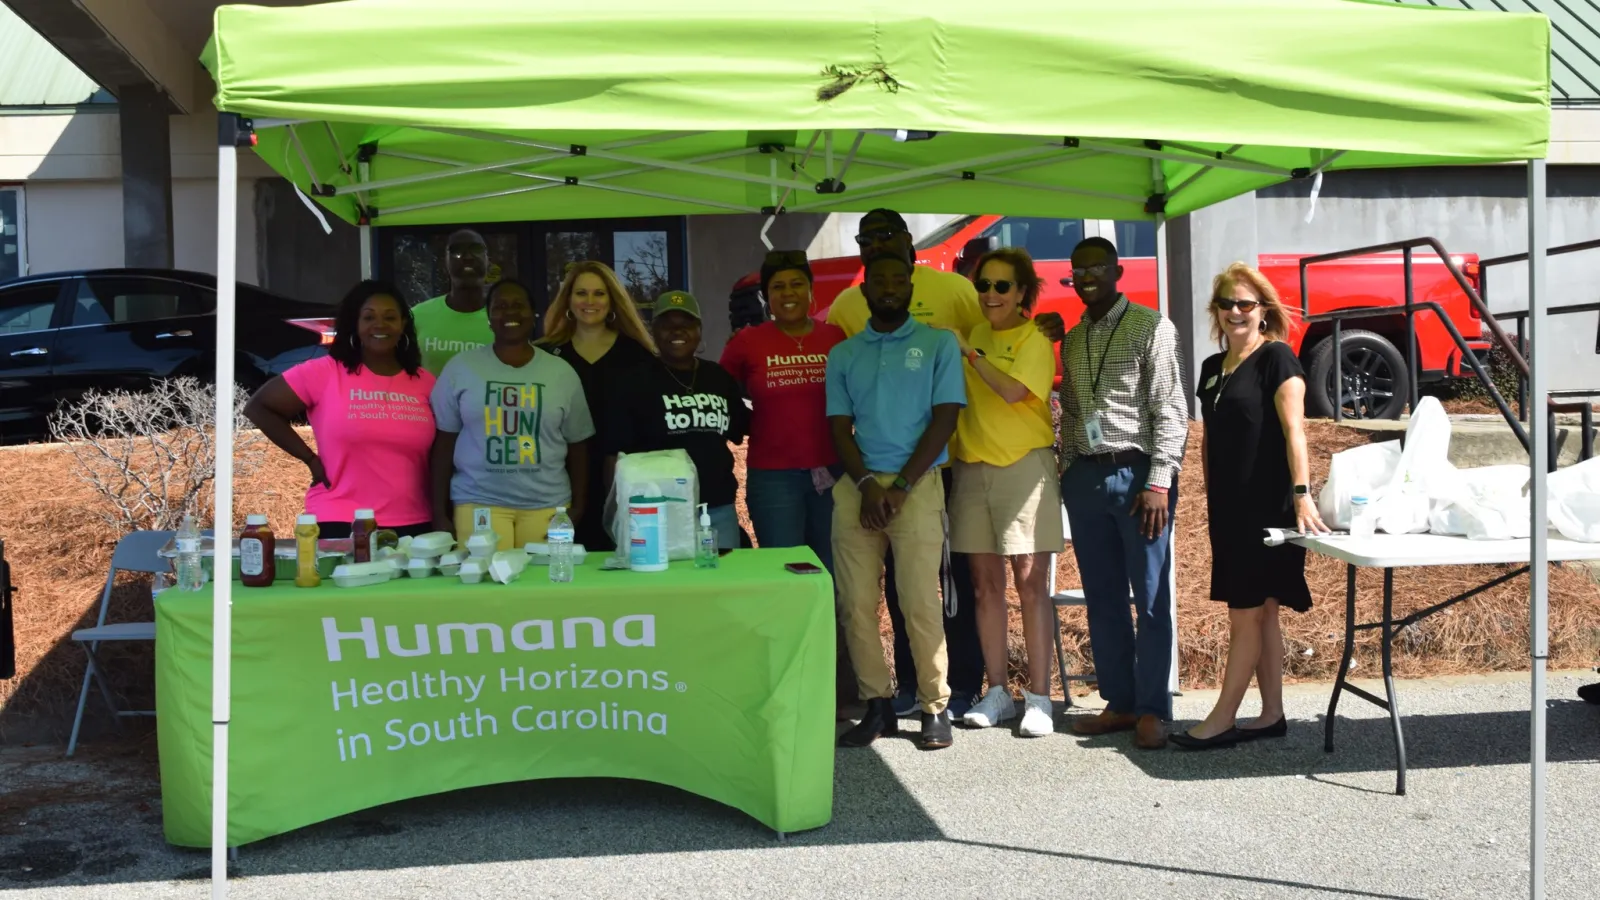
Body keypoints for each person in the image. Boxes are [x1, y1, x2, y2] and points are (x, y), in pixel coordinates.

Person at [825, 209, 987, 717]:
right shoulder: (845, 353)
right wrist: (869, 485)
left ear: (911, 278)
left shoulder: (937, 342)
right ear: (865, 289)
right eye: (880, 280)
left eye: (898, 279)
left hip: (917, 489)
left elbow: (945, 418)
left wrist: (899, 487)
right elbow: (838, 428)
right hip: (858, 490)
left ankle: (935, 705)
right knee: (855, 605)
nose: (889, 287)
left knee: (920, 603)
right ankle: (877, 702)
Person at [1173, 264, 1328, 749]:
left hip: (1269, 507)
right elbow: (1210, 438)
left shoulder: (1277, 359)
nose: (1236, 312)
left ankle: (1221, 719)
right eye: (1227, 303)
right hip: (1230, 508)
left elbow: (1295, 432)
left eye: (1246, 304)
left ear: (1263, 310)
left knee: (1246, 613)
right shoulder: (1211, 368)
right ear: (1215, 312)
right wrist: (1207, 494)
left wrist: (1302, 494)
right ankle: (1273, 714)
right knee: (1263, 613)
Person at [1057, 236, 1187, 751]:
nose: (1087, 277)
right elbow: (1070, 409)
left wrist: (1159, 481)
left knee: (1152, 598)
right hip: (1086, 478)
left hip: (1139, 479)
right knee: (1103, 598)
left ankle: (1154, 708)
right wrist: (1069, 469)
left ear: (1117, 271)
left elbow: (1170, 409)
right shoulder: (1072, 337)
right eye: (1078, 270)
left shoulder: (1150, 326)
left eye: (1096, 268)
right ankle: (1120, 702)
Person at [944, 248, 1063, 737]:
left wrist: (971, 355)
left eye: (1001, 286)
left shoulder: (1035, 337)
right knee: (983, 586)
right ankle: (998, 693)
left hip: (1023, 469)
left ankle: (1039, 698)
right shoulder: (973, 333)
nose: (991, 294)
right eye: (984, 285)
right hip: (972, 470)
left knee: (1031, 583)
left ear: (1021, 294)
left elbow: (1014, 393)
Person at [244, 280, 435, 538]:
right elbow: (259, 407)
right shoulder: (326, 372)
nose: (380, 325)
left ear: (403, 325)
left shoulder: (425, 382)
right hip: (342, 519)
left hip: (414, 520)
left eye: (390, 317)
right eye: (369, 317)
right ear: (355, 325)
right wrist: (309, 458)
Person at [429, 279, 593, 550]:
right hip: (478, 501)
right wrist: (438, 511)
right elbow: (444, 444)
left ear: (533, 314)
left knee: (543, 587)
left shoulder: (561, 372)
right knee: (483, 587)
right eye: (500, 307)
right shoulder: (461, 368)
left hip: (547, 505)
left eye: (519, 306)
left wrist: (577, 508)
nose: (510, 313)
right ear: (489, 317)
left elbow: (578, 445)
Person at [719, 250, 847, 570]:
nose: (788, 293)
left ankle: (831, 623)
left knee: (832, 570)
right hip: (774, 479)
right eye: (778, 287)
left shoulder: (835, 337)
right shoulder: (747, 342)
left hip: (832, 471)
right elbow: (719, 393)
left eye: (796, 284)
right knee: (785, 570)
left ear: (810, 290)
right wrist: (751, 423)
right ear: (766, 295)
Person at [603, 291, 749, 548]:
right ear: (654, 331)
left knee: (723, 585)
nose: (677, 331)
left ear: (699, 330)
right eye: (667, 325)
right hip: (657, 511)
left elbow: (741, 427)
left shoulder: (718, 377)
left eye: (686, 324)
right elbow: (615, 453)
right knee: (662, 586)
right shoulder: (634, 382)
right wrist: (620, 510)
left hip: (716, 509)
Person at [539, 261, 656, 552]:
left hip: (623, 483)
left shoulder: (638, 354)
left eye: (599, 294)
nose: (590, 302)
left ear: (612, 300)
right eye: (581, 293)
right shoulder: (545, 354)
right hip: (559, 482)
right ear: (568, 300)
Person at [412, 229, 496, 374]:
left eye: (476, 249)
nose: (467, 257)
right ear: (445, 262)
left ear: (488, 260)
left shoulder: (502, 318)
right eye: (456, 251)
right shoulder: (417, 316)